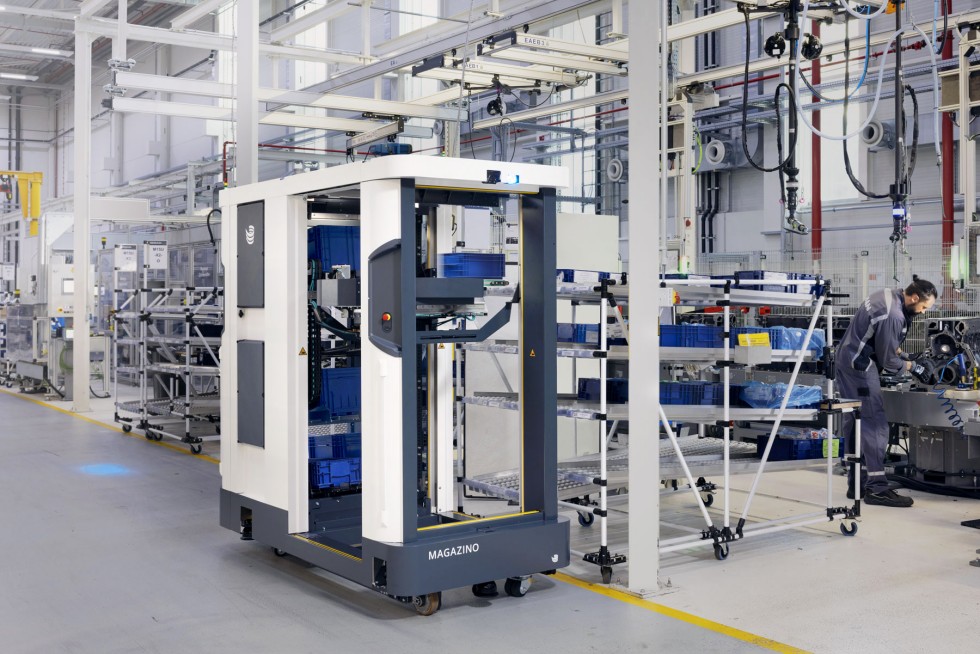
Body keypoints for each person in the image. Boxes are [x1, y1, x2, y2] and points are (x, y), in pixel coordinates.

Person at [835, 276, 938, 507]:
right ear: (914, 298)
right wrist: (915, 367)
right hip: (859, 367)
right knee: (874, 424)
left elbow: (882, 339)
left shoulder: (888, 295)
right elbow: (889, 361)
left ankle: (857, 484)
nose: (923, 312)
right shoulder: (894, 315)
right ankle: (877, 489)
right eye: (924, 307)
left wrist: (906, 356)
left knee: (855, 421)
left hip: (846, 359)